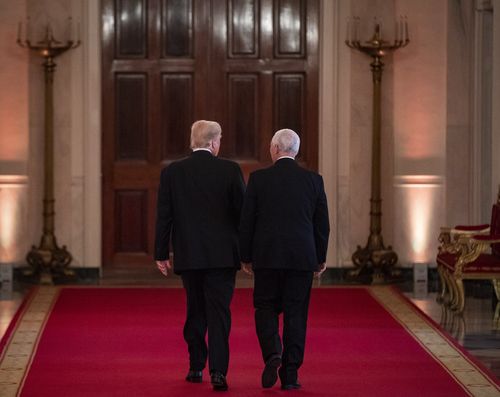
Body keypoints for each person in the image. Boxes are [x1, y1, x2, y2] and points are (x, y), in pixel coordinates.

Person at [154, 120, 245, 391]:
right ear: (214, 142)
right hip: (223, 257)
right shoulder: (230, 170)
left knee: (195, 310)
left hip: (189, 254)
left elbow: (164, 216)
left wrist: (161, 253)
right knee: (219, 313)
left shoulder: (173, 172)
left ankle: (195, 366)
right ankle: (218, 371)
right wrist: (248, 252)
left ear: (193, 141)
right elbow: (243, 215)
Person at [239, 128, 330, 390]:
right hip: (302, 258)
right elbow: (321, 225)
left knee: (265, 307)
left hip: (267, 257)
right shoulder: (314, 181)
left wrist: (246, 256)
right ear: (296, 151)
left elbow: (247, 223)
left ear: (275, 149)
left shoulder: (258, 179)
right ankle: (290, 376)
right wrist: (320, 257)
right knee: (296, 315)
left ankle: (272, 353)